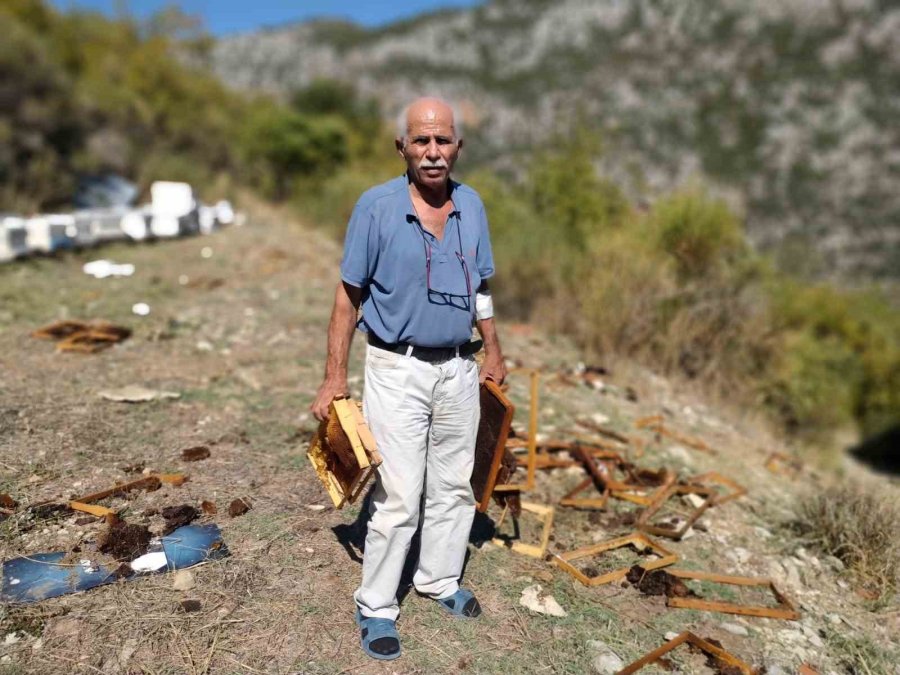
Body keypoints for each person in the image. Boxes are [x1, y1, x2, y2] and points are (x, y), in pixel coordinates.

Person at [311, 96, 507, 661]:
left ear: (458, 147)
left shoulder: (472, 206)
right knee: (400, 494)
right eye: (421, 140)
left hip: (457, 368)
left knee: (452, 485)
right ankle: (375, 605)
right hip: (396, 366)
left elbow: (481, 290)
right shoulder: (375, 207)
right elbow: (348, 297)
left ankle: (438, 579)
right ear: (402, 147)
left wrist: (493, 349)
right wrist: (332, 378)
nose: (432, 151)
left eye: (442, 140)